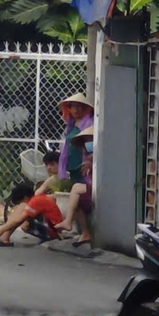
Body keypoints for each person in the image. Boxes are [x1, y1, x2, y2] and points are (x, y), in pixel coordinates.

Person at [57, 92, 95, 244]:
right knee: (77, 199)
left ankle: (84, 230)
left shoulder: (89, 124)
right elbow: (66, 147)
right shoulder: (71, 125)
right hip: (73, 165)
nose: (76, 110)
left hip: (83, 165)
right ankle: (83, 232)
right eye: (73, 107)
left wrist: (90, 161)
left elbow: (91, 146)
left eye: (80, 107)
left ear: (85, 109)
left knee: (81, 198)